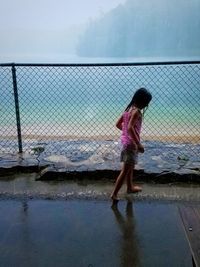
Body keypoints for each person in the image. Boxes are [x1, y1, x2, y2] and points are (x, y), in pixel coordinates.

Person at [110, 88, 152, 205]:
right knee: (125, 170)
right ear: (143, 101)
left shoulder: (128, 110)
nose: (147, 104)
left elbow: (118, 125)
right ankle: (114, 194)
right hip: (131, 145)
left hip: (126, 143)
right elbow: (129, 127)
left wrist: (126, 135)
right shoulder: (137, 112)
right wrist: (137, 143)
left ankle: (130, 187)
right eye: (147, 102)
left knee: (130, 167)